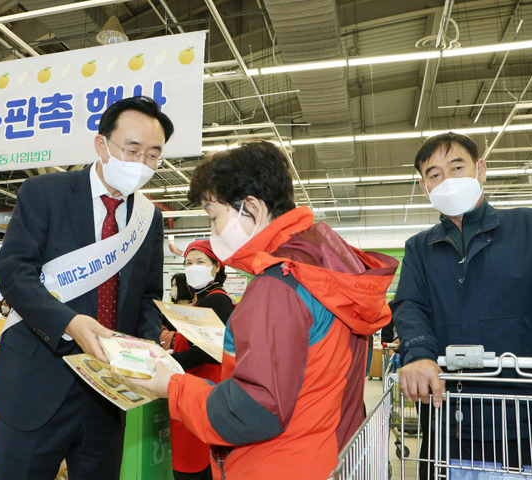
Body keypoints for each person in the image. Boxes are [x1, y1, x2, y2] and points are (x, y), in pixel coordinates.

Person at [131, 141, 397, 479]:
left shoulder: (277, 286)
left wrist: (172, 386)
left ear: (252, 208)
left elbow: (254, 410)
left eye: (214, 218)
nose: (213, 233)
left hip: (276, 464)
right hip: (324, 454)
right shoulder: (325, 268)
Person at [0, 96, 173, 480]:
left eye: (153, 155)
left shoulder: (149, 218)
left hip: (109, 392)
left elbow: (147, 297)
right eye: (132, 149)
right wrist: (69, 323)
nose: (141, 163)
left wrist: (143, 350)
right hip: (36, 383)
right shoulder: (44, 192)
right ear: (101, 145)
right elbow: (13, 272)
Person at [392, 132, 532, 475]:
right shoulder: (419, 248)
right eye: (435, 174)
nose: (448, 181)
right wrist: (419, 354)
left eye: (457, 167)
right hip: (449, 418)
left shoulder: (527, 228)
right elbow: (410, 305)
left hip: (523, 416)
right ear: (425, 189)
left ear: (480, 170)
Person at [170, 239, 234, 480]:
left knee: (195, 467)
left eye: (200, 262)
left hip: (202, 394)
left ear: (216, 267)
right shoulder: (203, 300)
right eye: (188, 262)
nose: (192, 267)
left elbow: (211, 350)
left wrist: (171, 363)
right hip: (196, 394)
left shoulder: (216, 300)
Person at [160, 273, 194, 350]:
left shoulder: (195, 308)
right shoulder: (169, 309)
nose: (173, 288)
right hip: (171, 349)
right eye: (172, 285)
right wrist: (170, 337)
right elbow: (160, 327)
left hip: (189, 350)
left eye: (176, 285)